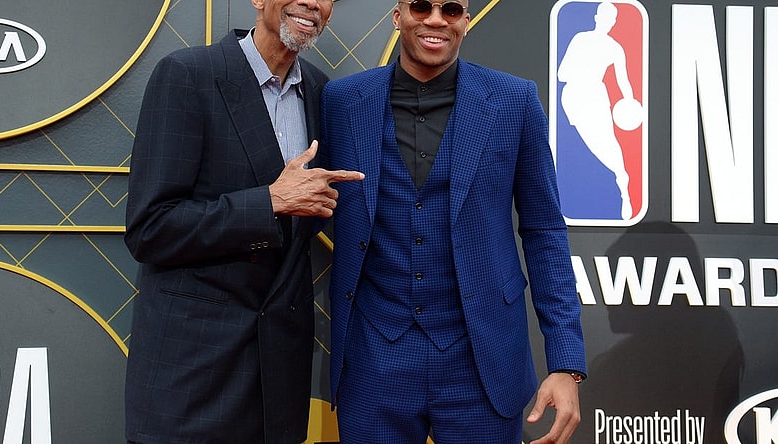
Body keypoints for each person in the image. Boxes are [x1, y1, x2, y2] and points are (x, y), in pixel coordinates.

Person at [320, 0, 586, 443]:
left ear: (465, 19)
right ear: (398, 15)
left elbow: (544, 231)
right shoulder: (344, 101)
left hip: (481, 361)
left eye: (451, 8)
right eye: (422, 6)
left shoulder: (513, 101)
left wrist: (565, 360)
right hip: (374, 357)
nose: (436, 19)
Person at [123, 0, 363, 442]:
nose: (313, 1)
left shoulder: (323, 93)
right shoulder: (187, 76)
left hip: (279, 386)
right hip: (193, 378)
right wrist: (269, 202)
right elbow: (150, 228)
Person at [557, 1, 640, 220]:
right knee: (586, 145)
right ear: (596, 17)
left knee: (608, 142)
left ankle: (623, 182)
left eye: (612, 19)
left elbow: (624, 81)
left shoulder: (615, 48)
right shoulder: (580, 39)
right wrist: (582, 71)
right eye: (605, 17)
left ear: (613, 22)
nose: (608, 22)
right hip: (574, 98)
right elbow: (561, 74)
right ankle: (618, 178)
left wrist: (629, 101)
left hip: (596, 98)